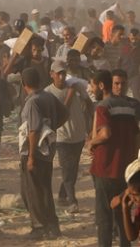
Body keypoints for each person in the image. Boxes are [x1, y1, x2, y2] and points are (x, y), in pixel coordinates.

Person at [90, 69, 140, 247]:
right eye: (117, 83)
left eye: (122, 83)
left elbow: (105, 133)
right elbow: (136, 136)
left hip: (105, 168)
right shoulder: (130, 108)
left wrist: (91, 142)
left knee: (104, 218)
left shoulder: (104, 106)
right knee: (122, 213)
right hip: (125, 170)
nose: (120, 86)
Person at [18, 67, 68, 240]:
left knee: (32, 192)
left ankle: (40, 227)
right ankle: (53, 226)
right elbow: (65, 114)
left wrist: (31, 156)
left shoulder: (32, 102)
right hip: (48, 151)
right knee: (45, 189)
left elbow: (33, 130)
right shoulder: (48, 96)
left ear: (23, 84)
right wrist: (51, 128)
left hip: (35, 152)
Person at [44, 60, 91, 213]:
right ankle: (72, 201)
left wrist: (91, 127)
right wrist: (70, 94)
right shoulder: (48, 93)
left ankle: (62, 196)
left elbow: (89, 103)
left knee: (72, 169)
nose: (61, 77)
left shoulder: (75, 86)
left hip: (78, 134)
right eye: (58, 74)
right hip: (62, 137)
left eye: (64, 73)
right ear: (51, 74)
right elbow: (61, 112)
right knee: (67, 169)